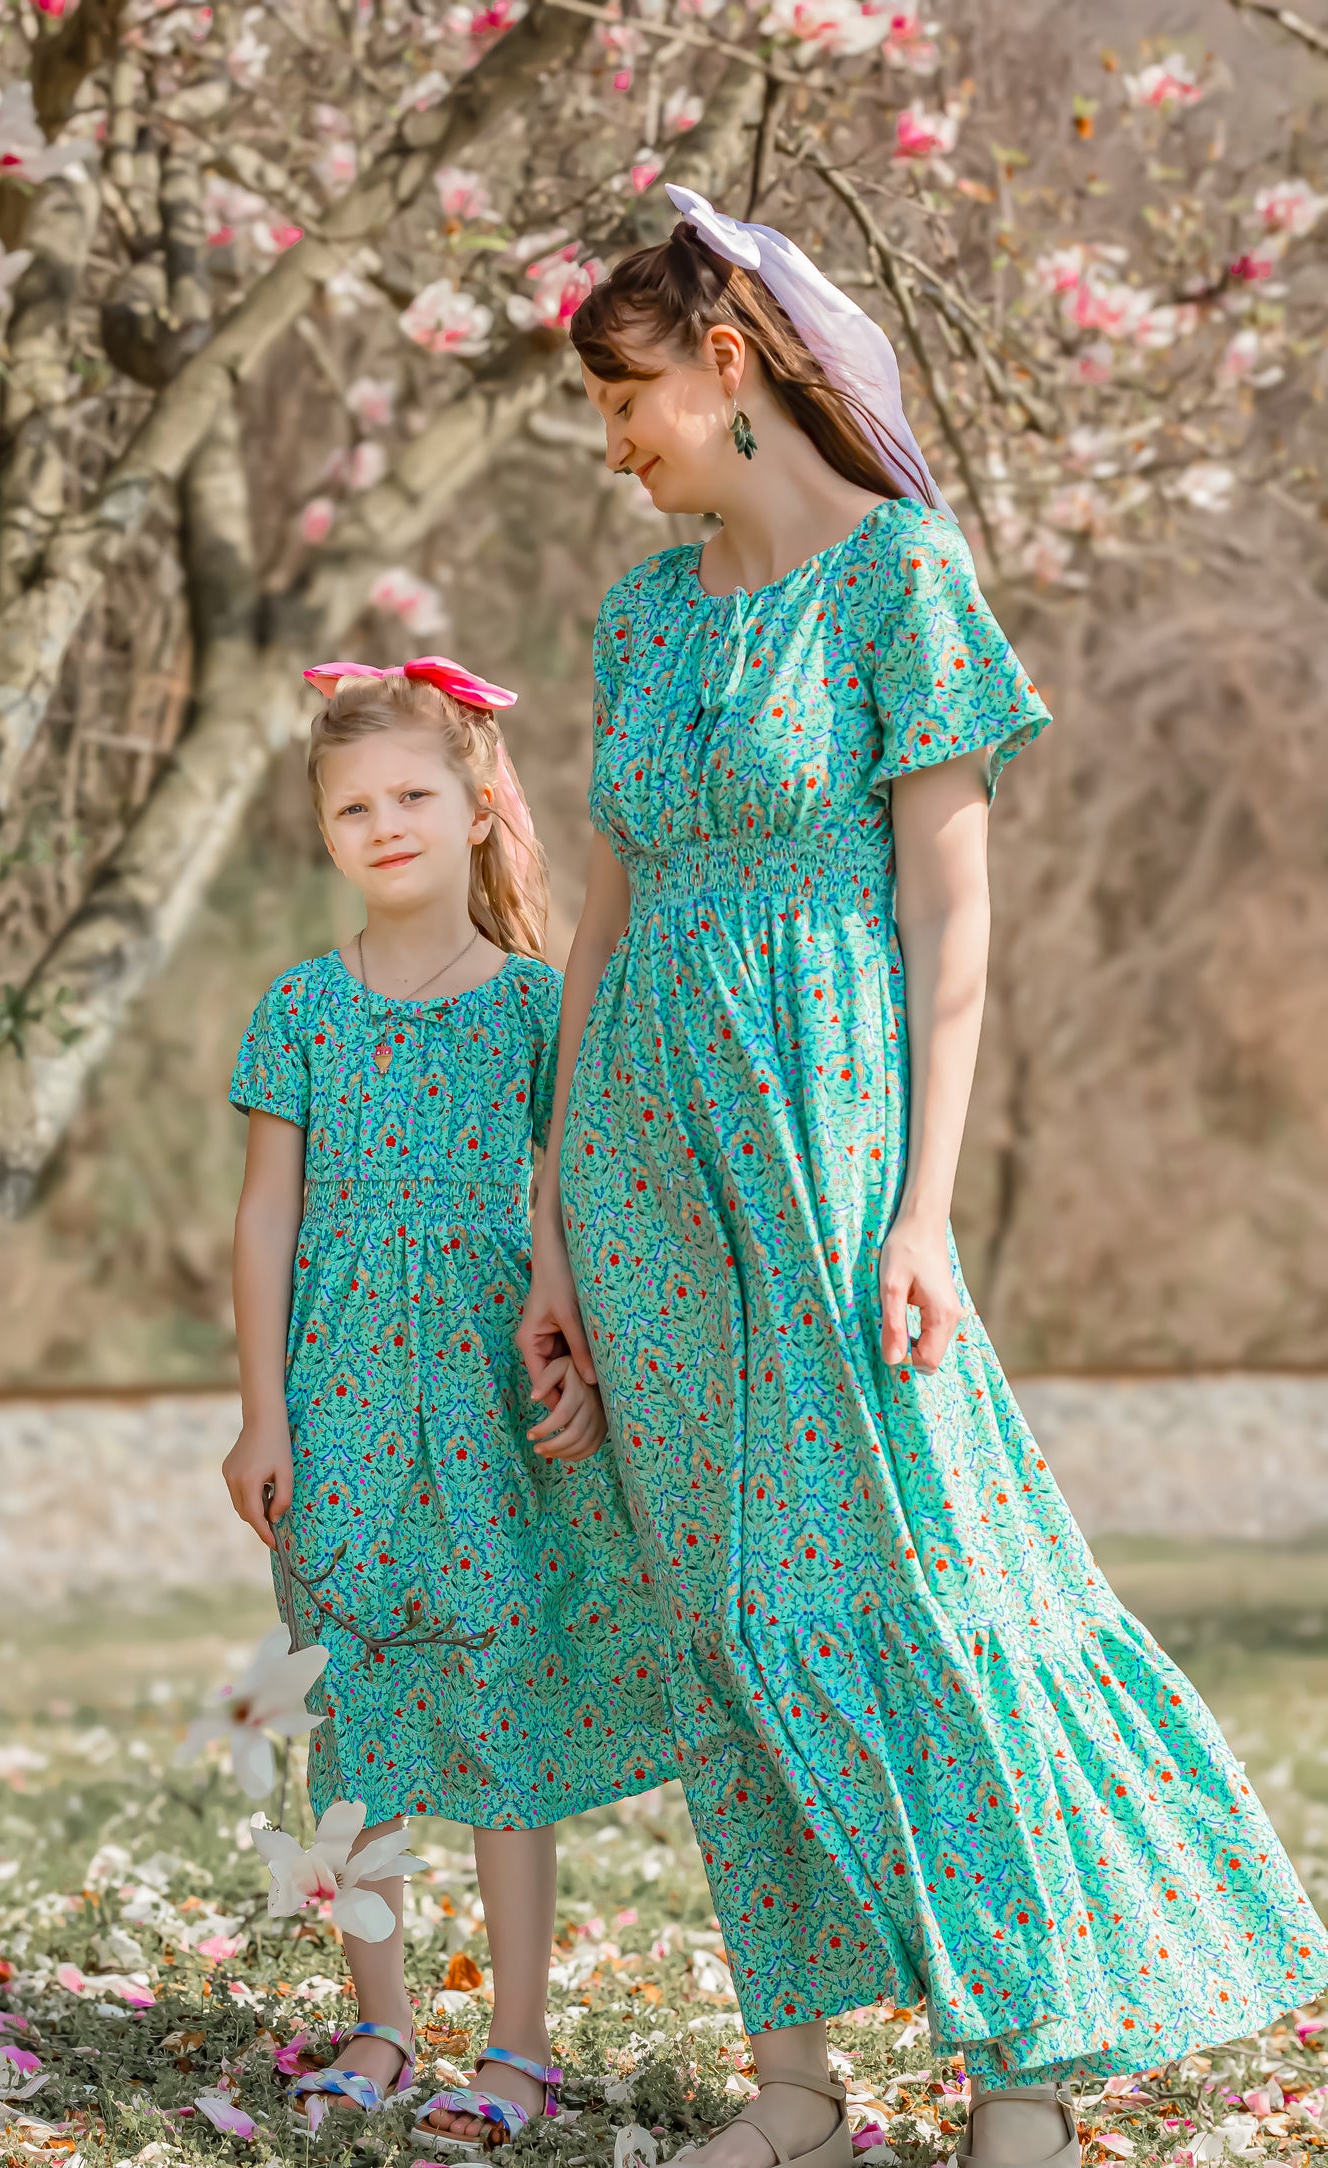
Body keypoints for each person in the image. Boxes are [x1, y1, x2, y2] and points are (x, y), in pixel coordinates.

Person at [518, 187, 1328, 2168]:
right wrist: (550, 1220)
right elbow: (602, 918)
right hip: (638, 1159)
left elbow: (952, 917)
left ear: (727, 367)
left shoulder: (902, 579)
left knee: (915, 1574)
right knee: (723, 1608)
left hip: (832, 1134)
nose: (611, 444)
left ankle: (1020, 2065)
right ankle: (794, 2086)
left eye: (623, 399)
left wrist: (919, 1206)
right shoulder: (641, 617)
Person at [224, 656, 668, 2147]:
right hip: (340, 1404)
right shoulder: (301, 1008)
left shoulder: (538, 1008)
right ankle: (382, 2023)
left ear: (478, 809)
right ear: (323, 831)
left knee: (498, 1702)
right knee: (356, 1704)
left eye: (414, 795)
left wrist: (580, 1369)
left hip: (488, 1410)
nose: (385, 825)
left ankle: (519, 2041)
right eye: (353, 807)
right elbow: (263, 1220)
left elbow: (575, 1211)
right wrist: (263, 1413)